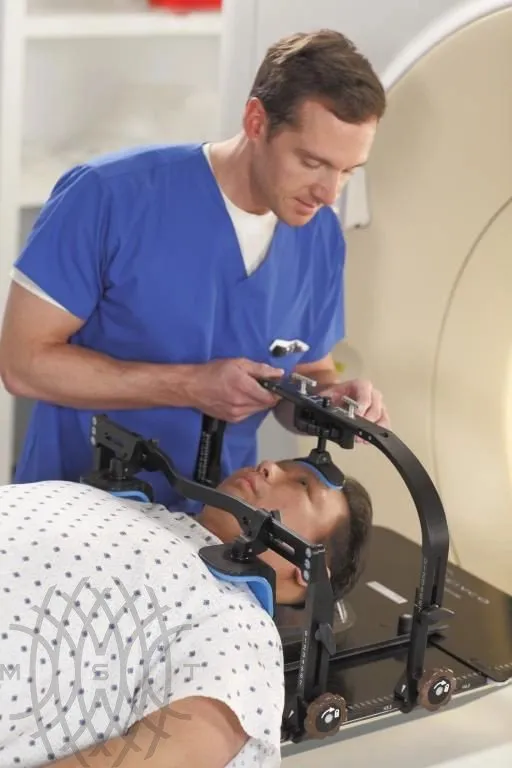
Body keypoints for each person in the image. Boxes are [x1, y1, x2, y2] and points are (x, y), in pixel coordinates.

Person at [0, 28, 389, 510]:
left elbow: (307, 371)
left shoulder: (320, 237)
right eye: (312, 162)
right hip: (75, 510)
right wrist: (190, 385)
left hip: (210, 525)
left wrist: (328, 403)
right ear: (256, 121)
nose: (329, 193)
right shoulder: (109, 195)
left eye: (348, 171)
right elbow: (22, 364)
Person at [0, 455, 372, 767]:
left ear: (308, 571)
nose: (269, 466)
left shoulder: (241, 630)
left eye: (303, 485)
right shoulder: (144, 511)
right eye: (285, 465)